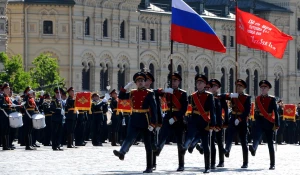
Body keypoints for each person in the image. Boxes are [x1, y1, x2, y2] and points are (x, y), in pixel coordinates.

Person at [113, 72, 157, 173]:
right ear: (136, 83)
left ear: (144, 82)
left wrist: (153, 124)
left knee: (147, 144)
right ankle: (122, 152)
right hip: (134, 118)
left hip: (145, 119)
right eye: (138, 81)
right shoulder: (132, 92)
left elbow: (154, 110)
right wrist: (125, 87)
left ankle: (149, 167)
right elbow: (121, 96)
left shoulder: (149, 93)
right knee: (129, 137)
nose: (140, 82)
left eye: (142, 81)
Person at [181, 74, 215, 173]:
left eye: (200, 83)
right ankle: (184, 148)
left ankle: (207, 167)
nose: (198, 84)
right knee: (189, 136)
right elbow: (187, 107)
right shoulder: (192, 96)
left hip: (204, 121)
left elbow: (212, 111)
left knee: (205, 144)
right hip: (194, 119)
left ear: (205, 84)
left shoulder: (209, 96)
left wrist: (212, 123)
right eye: (197, 82)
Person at [155, 72, 188, 171]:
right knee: (163, 134)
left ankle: (181, 164)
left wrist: (175, 118)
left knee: (179, 142)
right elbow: (155, 92)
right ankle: (158, 150)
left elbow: (184, 109)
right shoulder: (167, 92)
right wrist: (163, 90)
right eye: (172, 80)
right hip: (168, 116)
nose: (173, 82)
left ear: (179, 82)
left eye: (175, 80)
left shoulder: (183, 93)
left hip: (178, 119)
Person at [249, 80, 279, 170]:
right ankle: (253, 149)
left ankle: (272, 163)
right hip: (260, 121)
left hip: (269, 122)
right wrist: (256, 117)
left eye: (264, 87)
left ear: (268, 89)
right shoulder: (257, 98)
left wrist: (277, 124)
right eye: (261, 87)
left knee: (270, 143)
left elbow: (276, 113)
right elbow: (256, 110)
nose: (262, 89)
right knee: (256, 136)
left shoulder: (272, 99)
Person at [222, 79, 251, 168]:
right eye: (237, 86)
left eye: (240, 86)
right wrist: (229, 95)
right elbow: (222, 96)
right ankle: (227, 150)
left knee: (243, 141)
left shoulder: (247, 97)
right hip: (233, 118)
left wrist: (239, 119)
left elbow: (247, 111)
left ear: (243, 88)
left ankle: (245, 162)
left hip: (242, 120)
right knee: (229, 135)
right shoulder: (233, 96)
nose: (238, 88)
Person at [0, 83, 14, 150]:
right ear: (4, 89)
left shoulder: (7, 97)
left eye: (9, 88)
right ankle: (5, 146)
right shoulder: (1, 96)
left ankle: (8, 145)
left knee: (8, 130)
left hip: (8, 115)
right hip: (4, 115)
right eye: (7, 88)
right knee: (4, 131)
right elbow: (1, 105)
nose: (9, 90)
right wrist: (8, 105)